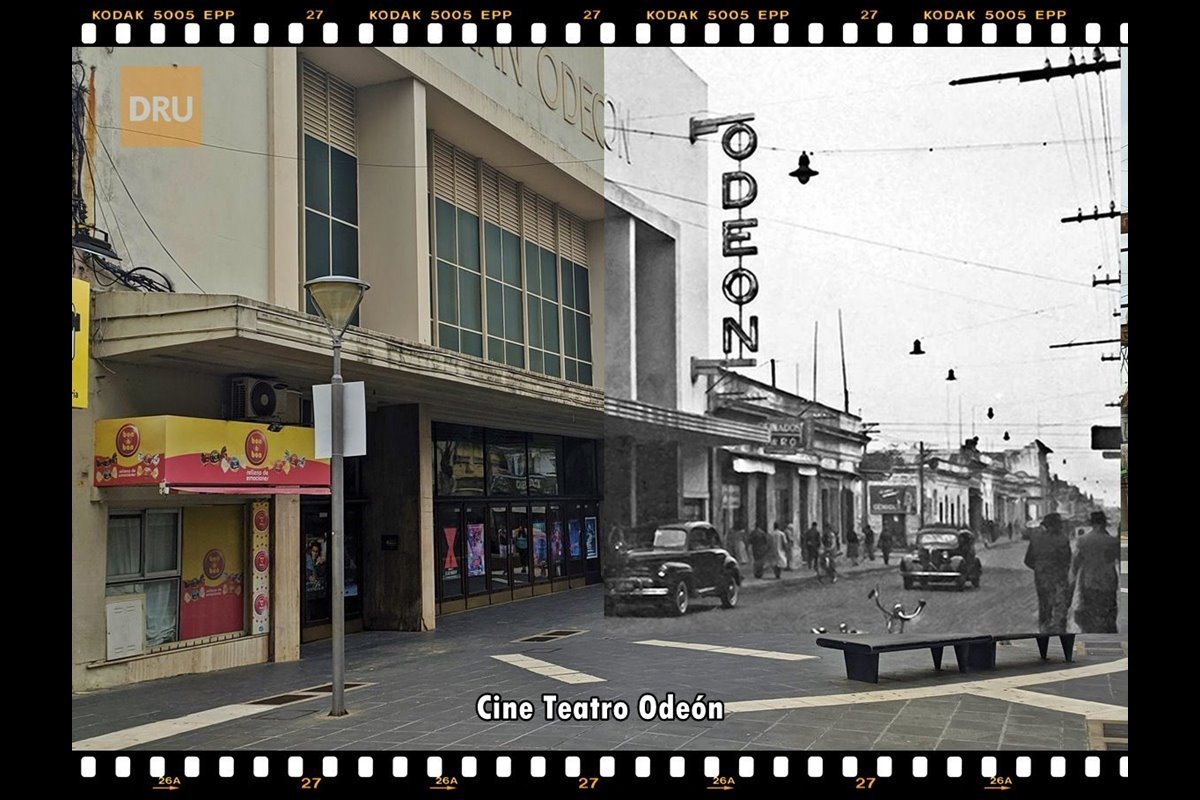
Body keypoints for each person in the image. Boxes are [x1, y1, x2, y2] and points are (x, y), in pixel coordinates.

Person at [1071, 511, 1120, 633]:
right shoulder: (1113, 542)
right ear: (1104, 523)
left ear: (1091, 523)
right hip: (1108, 584)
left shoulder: (1083, 541)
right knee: (1108, 616)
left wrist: (1072, 581)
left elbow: (1075, 564)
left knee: (1090, 616)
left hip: (1089, 584)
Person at [1024, 513, 1072, 633]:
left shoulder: (1036, 539)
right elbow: (1067, 560)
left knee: (1044, 607)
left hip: (1041, 579)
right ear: (1057, 525)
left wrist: (1039, 568)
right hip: (1059, 580)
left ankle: (1044, 633)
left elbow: (1028, 560)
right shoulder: (1063, 539)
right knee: (1059, 610)